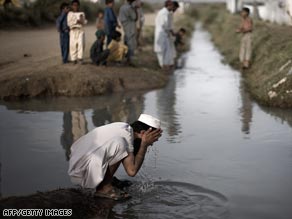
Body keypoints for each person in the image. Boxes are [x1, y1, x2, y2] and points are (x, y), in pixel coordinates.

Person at [68, 114, 163, 201]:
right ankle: (104, 188)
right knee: (119, 143)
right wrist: (144, 145)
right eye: (154, 138)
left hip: (78, 163)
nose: (153, 142)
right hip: (81, 170)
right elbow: (132, 171)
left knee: (119, 144)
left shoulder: (124, 128)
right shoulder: (125, 136)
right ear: (143, 133)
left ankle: (107, 180)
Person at [154, 1, 175, 70]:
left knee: (166, 50)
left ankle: (165, 65)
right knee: (161, 50)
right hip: (161, 33)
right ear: (169, 5)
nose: (173, 7)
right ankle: (162, 65)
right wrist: (170, 31)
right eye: (172, 6)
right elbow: (164, 24)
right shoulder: (163, 13)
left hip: (164, 33)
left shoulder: (166, 13)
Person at [67, 0, 87, 64]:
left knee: (81, 44)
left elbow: (84, 22)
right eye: (74, 5)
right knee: (72, 45)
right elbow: (69, 23)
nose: (75, 6)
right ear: (72, 6)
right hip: (73, 30)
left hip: (80, 30)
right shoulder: (70, 14)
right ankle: (73, 59)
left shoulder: (82, 13)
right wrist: (76, 21)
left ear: (79, 6)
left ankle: (80, 58)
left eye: (77, 5)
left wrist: (81, 21)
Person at [119, 0, 138, 66]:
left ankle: (125, 59)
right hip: (130, 28)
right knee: (130, 44)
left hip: (125, 27)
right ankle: (129, 60)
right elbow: (135, 17)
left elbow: (120, 19)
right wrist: (135, 9)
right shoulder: (130, 8)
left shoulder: (122, 7)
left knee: (126, 42)